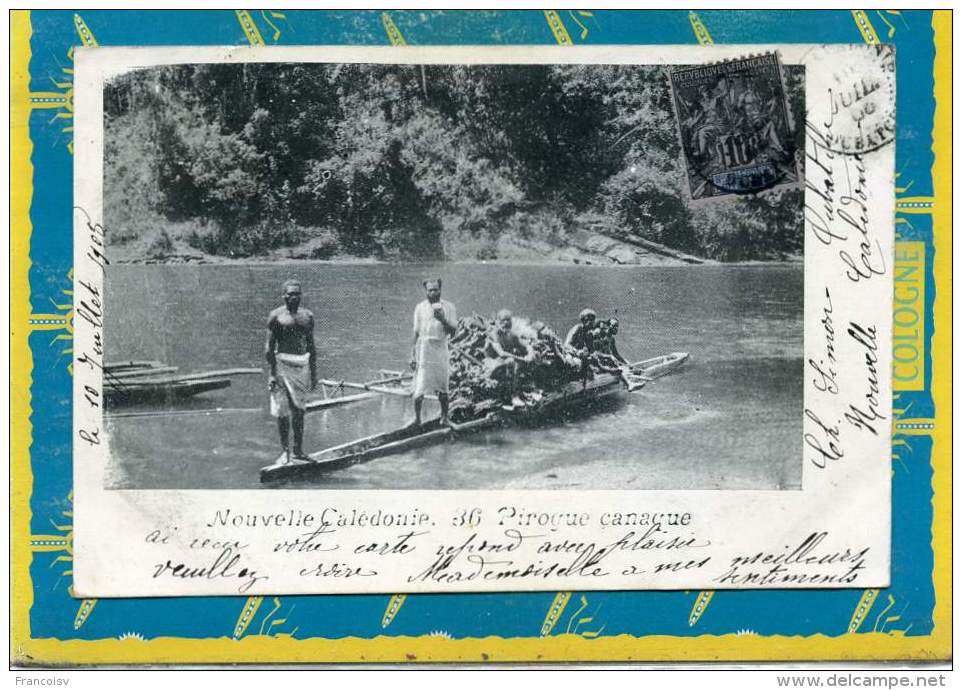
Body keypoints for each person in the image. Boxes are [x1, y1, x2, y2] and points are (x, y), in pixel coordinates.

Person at [266, 278, 317, 462]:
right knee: (282, 411)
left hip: (301, 366)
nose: (294, 297)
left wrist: (314, 373)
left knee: (299, 410)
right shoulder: (276, 316)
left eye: (297, 294)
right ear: (284, 296)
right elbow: (269, 347)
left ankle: (298, 450)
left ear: (301, 296)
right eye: (290, 294)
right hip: (281, 365)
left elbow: (311, 346)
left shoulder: (307, 316)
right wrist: (272, 374)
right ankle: (285, 451)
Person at [410, 279, 457, 426]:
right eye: (430, 290)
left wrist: (443, 319)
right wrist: (412, 354)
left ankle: (444, 418)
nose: (433, 293)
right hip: (424, 348)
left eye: (436, 290)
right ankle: (417, 419)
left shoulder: (449, 307)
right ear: (426, 291)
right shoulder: (420, 307)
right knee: (420, 386)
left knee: (443, 384)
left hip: (441, 347)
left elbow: (454, 331)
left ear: (440, 290)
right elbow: (416, 332)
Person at [483, 309, 534, 405]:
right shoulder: (494, 335)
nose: (506, 323)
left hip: (504, 362)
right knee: (511, 361)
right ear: (497, 321)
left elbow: (526, 345)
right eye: (503, 321)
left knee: (528, 358)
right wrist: (522, 359)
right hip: (491, 363)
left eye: (508, 320)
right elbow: (501, 353)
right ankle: (513, 396)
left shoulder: (511, 335)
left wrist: (530, 354)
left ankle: (529, 388)